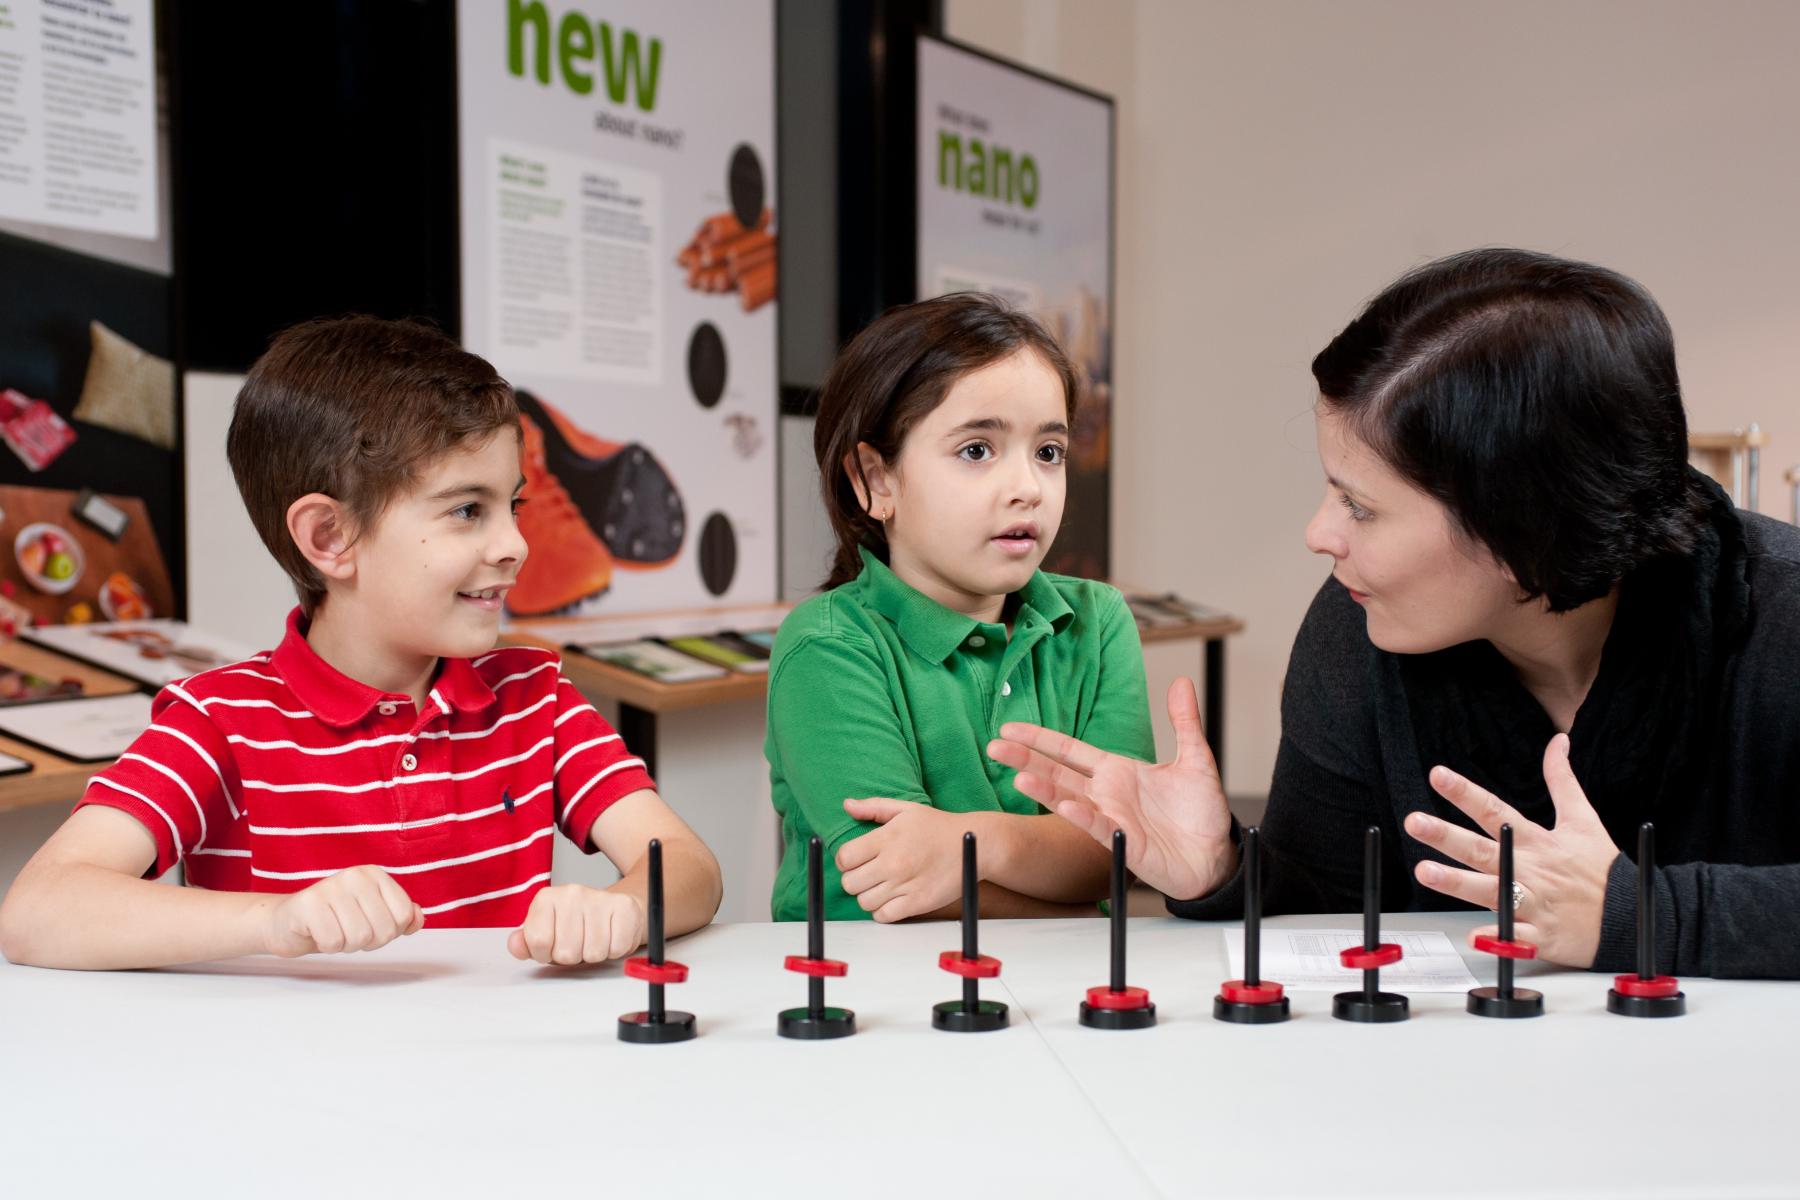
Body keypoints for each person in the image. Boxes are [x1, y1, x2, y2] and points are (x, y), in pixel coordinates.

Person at [990, 249, 1800, 978]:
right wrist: (1224, 869)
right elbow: (1329, 902)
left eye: (1361, 507)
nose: (1320, 534)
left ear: (1524, 527)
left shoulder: (1782, 615)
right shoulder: (1358, 626)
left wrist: (1640, 916)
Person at [0, 317, 721, 969]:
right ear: (329, 537)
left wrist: (624, 907)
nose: (515, 546)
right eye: (468, 510)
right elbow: (38, 911)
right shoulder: (216, 718)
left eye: (514, 505)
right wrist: (276, 920)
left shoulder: (535, 698)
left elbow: (690, 868)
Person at [766, 293, 1154, 921]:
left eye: (1048, 452)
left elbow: (1118, 848)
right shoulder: (828, 644)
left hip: (1064, 990)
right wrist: (1070, 898)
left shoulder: (1099, 621)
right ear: (875, 481)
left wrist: (975, 849)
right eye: (977, 450)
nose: (1028, 488)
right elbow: (894, 887)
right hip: (872, 996)